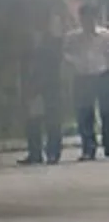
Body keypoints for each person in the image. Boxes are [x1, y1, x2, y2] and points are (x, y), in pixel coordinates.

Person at [66, 5, 109, 161]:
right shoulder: (72, 37)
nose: (87, 21)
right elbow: (66, 55)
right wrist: (74, 62)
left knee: (107, 112)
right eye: (84, 18)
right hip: (82, 77)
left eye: (90, 17)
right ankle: (88, 148)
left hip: (103, 75)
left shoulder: (105, 35)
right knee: (85, 114)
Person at [22, 15, 66, 166]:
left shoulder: (54, 42)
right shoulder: (27, 42)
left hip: (50, 86)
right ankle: (34, 153)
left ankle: (53, 153)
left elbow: (53, 67)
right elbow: (26, 66)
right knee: (32, 121)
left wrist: (39, 84)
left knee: (52, 121)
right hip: (32, 85)